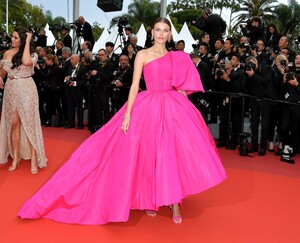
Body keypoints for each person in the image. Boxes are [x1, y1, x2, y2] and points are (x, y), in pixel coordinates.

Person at [18, 18, 227, 225]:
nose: (161, 34)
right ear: (152, 32)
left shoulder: (178, 57)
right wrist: (127, 115)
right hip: (148, 107)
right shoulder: (142, 55)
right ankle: (150, 198)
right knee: (148, 152)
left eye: (165, 30)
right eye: (157, 30)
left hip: (172, 108)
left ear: (170, 34)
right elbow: (135, 85)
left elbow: (181, 86)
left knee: (168, 152)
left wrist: (184, 110)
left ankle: (174, 202)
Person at [0, 27, 47, 174]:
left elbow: (26, 62)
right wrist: (0, 77)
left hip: (26, 89)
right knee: (14, 124)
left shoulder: (32, 54)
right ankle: (16, 157)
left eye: (15, 38)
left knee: (29, 125)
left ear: (23, 39)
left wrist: (27, 41)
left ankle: (33, 158)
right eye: (12, 37)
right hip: (10, 89)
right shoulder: (7, 53)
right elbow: (3, 70)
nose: (11, 40)